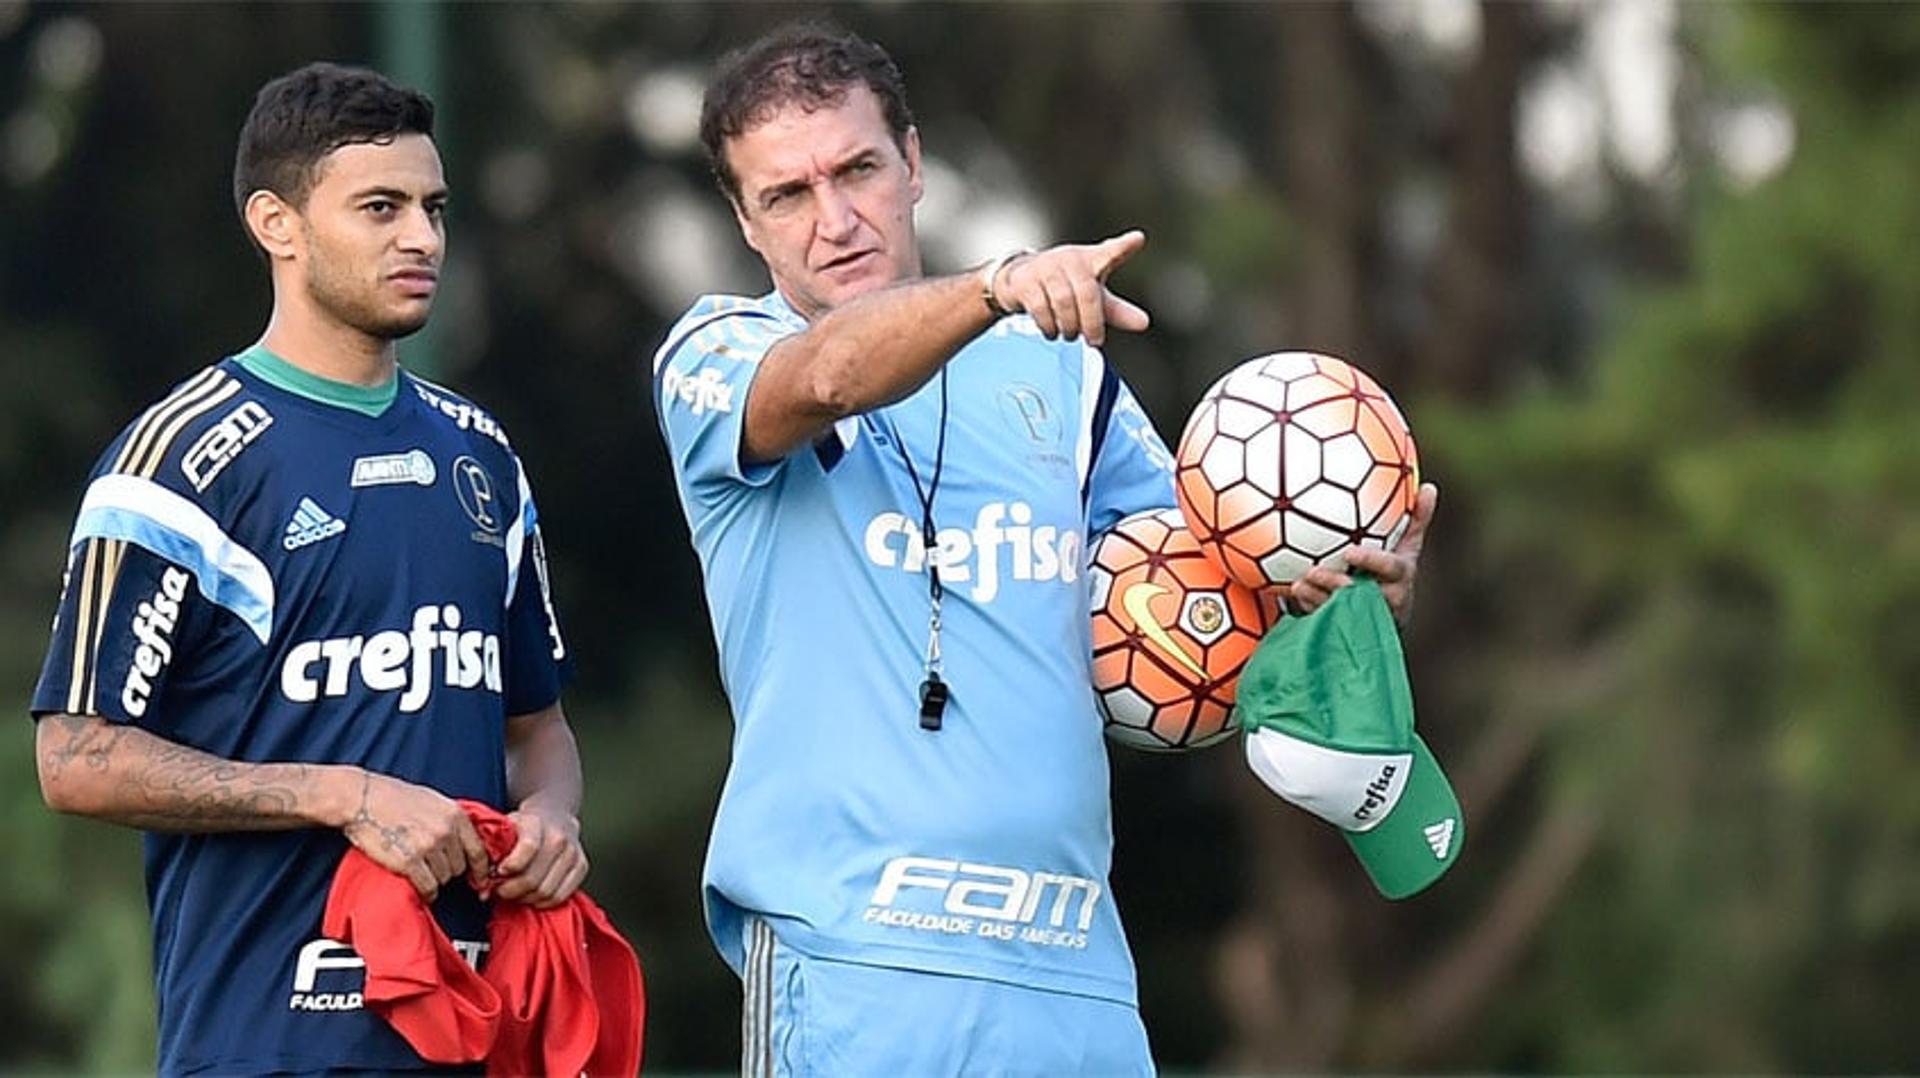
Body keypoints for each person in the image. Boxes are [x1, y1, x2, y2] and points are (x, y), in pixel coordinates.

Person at [652, 22, 1437, 1075]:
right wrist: (996, 286)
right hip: (854, 972)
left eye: (858, 169)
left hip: (1076, 976)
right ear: (746, 220)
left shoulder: (1066, 381)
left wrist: (1328, 590)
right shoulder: (716, 355)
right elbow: (829, 377)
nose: (834, 219)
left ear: (914, 163)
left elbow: (1209, 598)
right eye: (787, 195)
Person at [30, 62, 588, 1076]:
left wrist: (551, 818)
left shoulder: (483, 456)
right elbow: (73, 757)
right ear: (275, 224)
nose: (421, 237)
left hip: (470, 1032)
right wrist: (338, 792)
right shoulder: (182, 458)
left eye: (432, 207)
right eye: (380, 207)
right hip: (265, 1041)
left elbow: (536, 730)